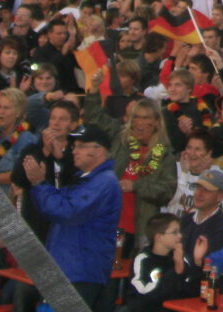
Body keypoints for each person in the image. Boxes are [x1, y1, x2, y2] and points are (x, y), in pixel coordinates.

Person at [23, 124, 124, 308]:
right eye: (74, 146)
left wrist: (39, 184)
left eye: (81, 146)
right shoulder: (85, 179)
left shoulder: (104, 182)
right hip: (70, 268)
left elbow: (66, 211)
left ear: (99, 150)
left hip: (80, 272)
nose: (74, 151)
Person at [128, 214, 204, 312]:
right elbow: (145, 295)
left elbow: (194, 293)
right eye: (174, 232)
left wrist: (197, 263)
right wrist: (176, 272)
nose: (180, 236)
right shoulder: (143, 260)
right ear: (159, 237)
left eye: (179, 231)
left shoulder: (180, 257)